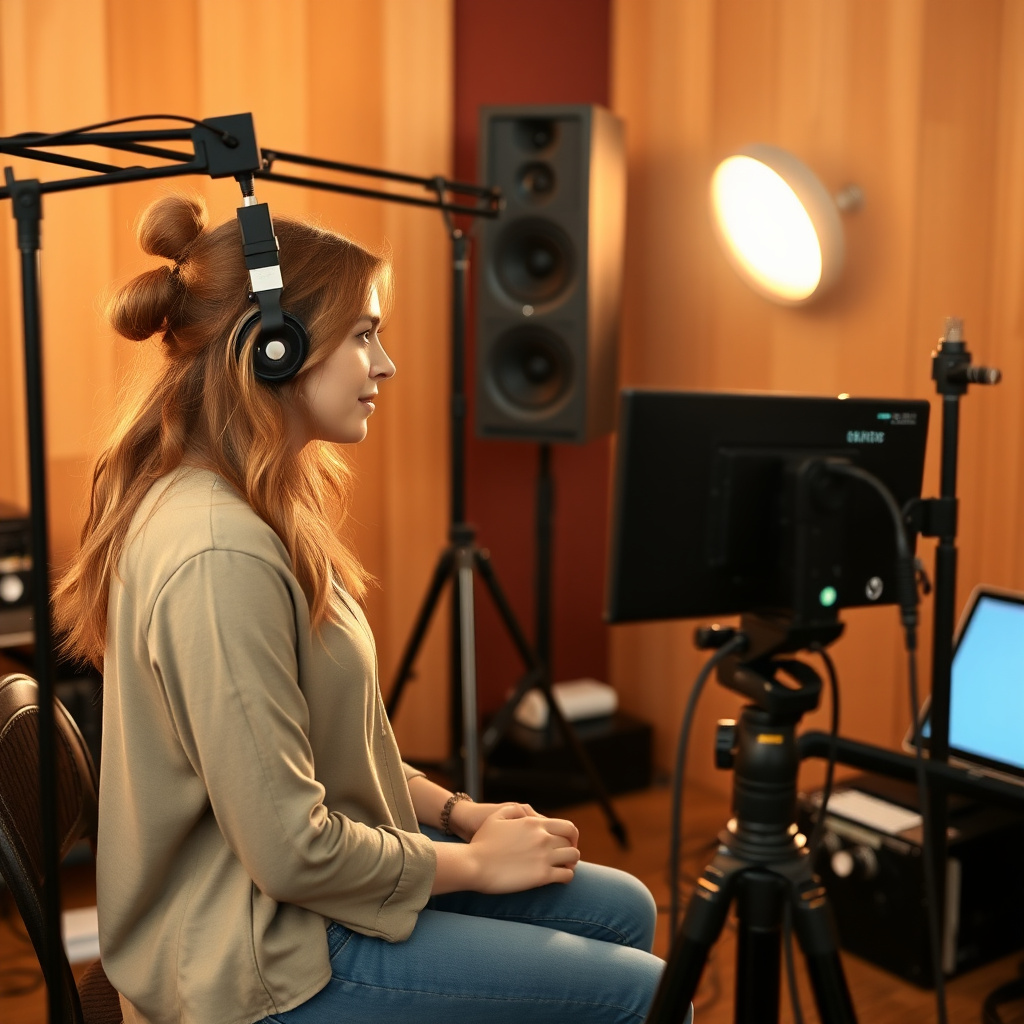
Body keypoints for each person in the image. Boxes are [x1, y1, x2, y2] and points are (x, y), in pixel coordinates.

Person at [53, 192, 674, 1024]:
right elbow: (288, 849)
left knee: (623, 908)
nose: (385, 365)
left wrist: (459, 813)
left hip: (297, 899)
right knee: (642, 994)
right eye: (363, 334)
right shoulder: (217, 552)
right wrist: (476, 865)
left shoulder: (251, 503)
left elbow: (335, 745)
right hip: (255, 953)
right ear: (273, 349)